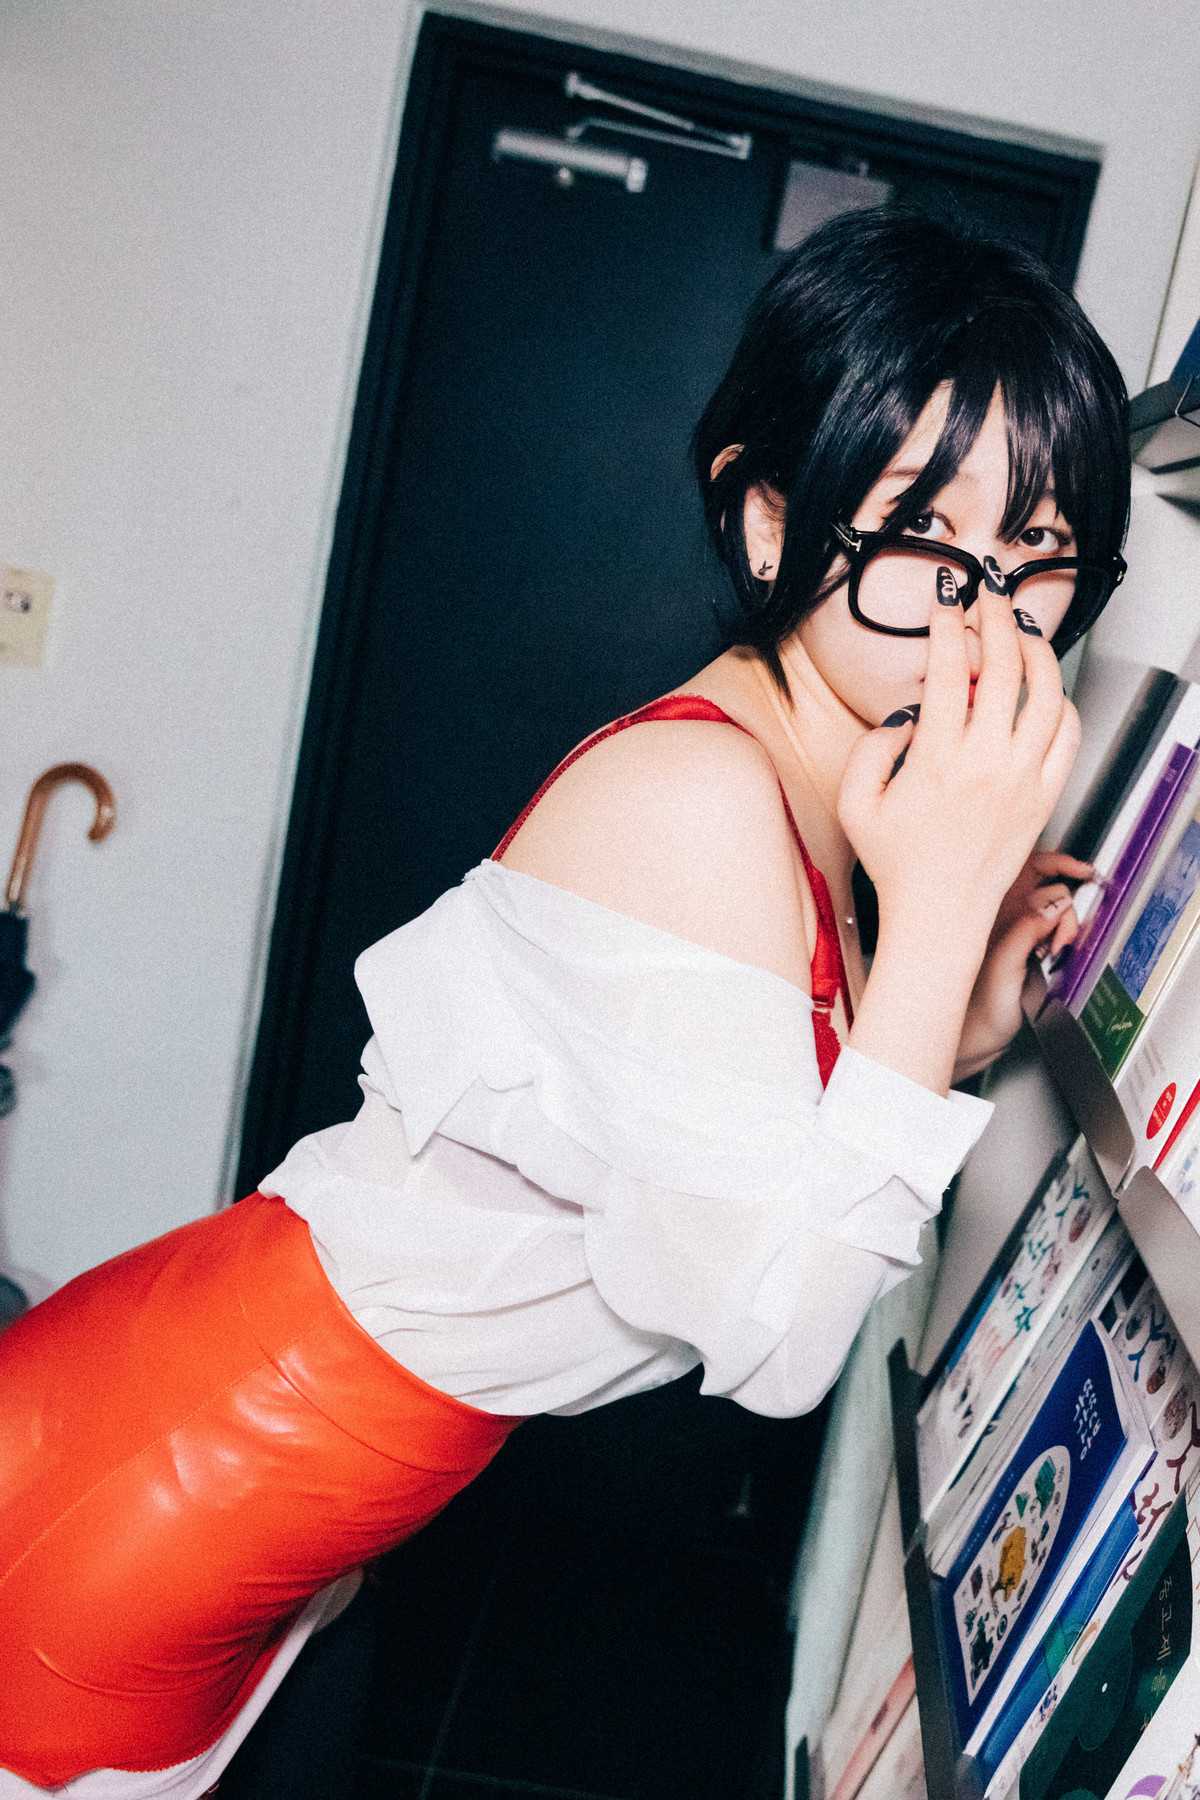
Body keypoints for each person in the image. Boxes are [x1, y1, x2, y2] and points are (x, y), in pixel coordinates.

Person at [0, 204, 1129, 1797]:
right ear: (769, 523)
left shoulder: (818, 784)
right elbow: (780, 1346)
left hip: (255, 1475)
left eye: (1037, 563)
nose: (982, 624)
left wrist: (952, 1017)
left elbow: (764, 1139)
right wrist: (939, 911)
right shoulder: (701, 800)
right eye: (925, 543)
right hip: (150, 1483)